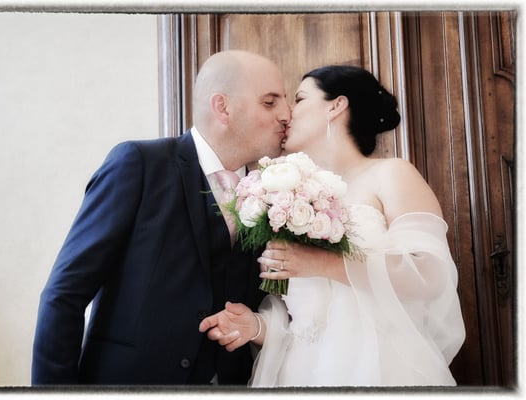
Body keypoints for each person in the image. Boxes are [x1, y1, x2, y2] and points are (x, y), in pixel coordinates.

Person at [31, 50, 291, 385]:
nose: (286, 115)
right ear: (222, 107)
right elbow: (65, 293)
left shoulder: (276, 192)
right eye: (270, 102)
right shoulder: (139, 164)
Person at [199, 65, 466, 386]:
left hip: (379, 367)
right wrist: (256, 326)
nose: (287, 113)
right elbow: (306, 321)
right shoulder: (288, 195)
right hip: (300, 373)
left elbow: (430, 275)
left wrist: (323, 263)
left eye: (299, 99)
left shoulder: (391, 173)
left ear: (336, 106)